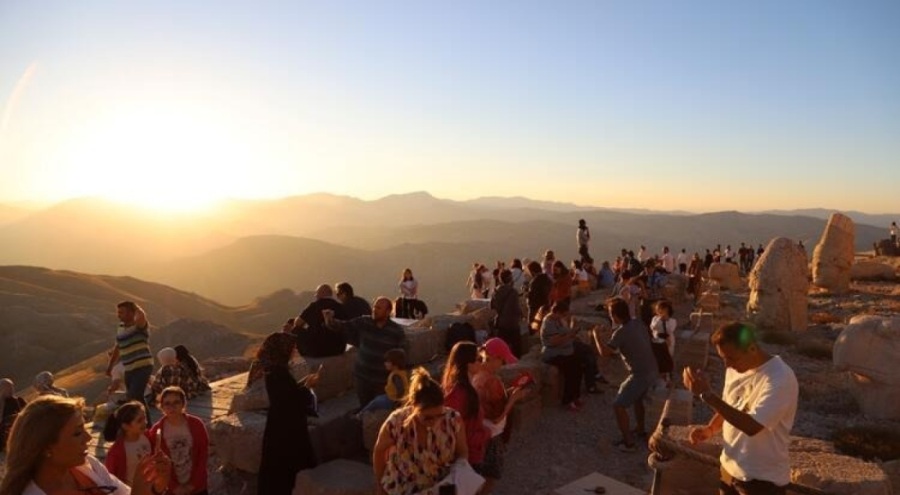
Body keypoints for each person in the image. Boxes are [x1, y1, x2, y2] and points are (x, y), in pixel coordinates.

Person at [681, 322, 798, 495]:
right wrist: (711, 428)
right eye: (723, 358)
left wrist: (707, 395)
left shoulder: (780, 378)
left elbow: (753, 426)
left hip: (760, 481)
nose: (727, 365)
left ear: (751, 348)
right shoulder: (735, 369)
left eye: (731, 358)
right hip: (729, 469)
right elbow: (731, 406)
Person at [0, 395, 170, 495]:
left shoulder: (88, 467)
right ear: (46, 447)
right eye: (77, 433)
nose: (89, 437)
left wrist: (156, 488)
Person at [373, 368, 473, 495]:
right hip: (402, 489)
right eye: (428, 417)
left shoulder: (453, 420)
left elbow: (462, 452)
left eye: (439, 415)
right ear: (414, 408)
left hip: (439, 488)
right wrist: (379, 484)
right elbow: (379, 451)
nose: (434, 421)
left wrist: (460, 473)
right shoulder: (396, 422)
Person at [256, 332, 319, 495]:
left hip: (280, 424)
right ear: (282, 350)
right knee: (285, 470)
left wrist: (303, 385)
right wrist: (308, 386)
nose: (294, 351)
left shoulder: (275, 369)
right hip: (286, 429)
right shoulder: (278, 372)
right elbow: (290, 401)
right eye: (292, 348)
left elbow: (286, 394)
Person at [594, 297, 657, 452]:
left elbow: (604, 352)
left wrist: (595, 336)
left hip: (640, 374)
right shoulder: (637, 323)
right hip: (652, 369)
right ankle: (640, 430)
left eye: (610, 313)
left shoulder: (620, 332)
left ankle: (628, 442)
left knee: (618, 405)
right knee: (637, 399)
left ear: (615, 316)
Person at [323, 297, 408, 408]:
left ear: (388, 312)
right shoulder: (364, 322)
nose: (374, 310)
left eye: (378, 308)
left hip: (382, 381)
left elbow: (403, 351)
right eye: (374, 307)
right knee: (365, 408)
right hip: (362, 378)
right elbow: (343, 326)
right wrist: (329, 319)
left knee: (379, 411)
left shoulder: (396, 331)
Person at [472, 339, 527, 494]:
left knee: (479, 476)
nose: (503, 365)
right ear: (494, 358)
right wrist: (514, 399)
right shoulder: (492, 380)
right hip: (492, 435)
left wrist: (508, 393)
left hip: (480, 432)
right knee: (490, 477)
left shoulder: (477, 374)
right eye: (502, 361)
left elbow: (490, 404)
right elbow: (497, 417)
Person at [148, 386, 209, 495]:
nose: (172, 407)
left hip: (197, 487)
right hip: (171, 490)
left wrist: (192, 485)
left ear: (183, 404)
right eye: (167, 403)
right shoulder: (157, 431)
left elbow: (203, 456)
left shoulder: (197, 424)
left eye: (176, 402)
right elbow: (156, 463)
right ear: (161, 406)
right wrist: (174, 487)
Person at [442, 342, 490, 470]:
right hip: (467, 457)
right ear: (468, 364)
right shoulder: (458, 394)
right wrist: (486, 433)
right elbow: (455, 429)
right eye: (479, 359)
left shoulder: (467, 388)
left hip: (474, 451)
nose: (482, 362)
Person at [106, 301, 154, 422]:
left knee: (135, 395)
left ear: (131, 313)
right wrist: (110, 366)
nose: (118, 315)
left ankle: (146, 425)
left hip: (142, 366)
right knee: (133, 398)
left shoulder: (140, 326)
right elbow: (118, 347)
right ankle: (141, 423)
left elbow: (142, 316)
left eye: (121, 312)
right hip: (129, 368)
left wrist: (135, 307)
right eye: (118, 312)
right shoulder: (121, 327)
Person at [540, 300, 583, 411]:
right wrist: (569, 335)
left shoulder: (559, 320)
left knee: (579, 364)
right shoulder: (548, 323)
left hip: (564, 351)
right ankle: (568, 400)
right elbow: (554, 341)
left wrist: (573, 331)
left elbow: (566, 332)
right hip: (553, 354)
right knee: (570, 369)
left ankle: (575, 396)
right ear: (558, 312)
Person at [104, 401, 154, 487]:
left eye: (145, 418)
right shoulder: (116, 451)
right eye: (139, 421)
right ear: (126, 426)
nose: (145, 422)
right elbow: (110, 478)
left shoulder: (148, 437)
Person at [293, 284, 347, 358]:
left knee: (296, 329)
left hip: (318, 350)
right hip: (338, 349)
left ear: (321, 293)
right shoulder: (340, 307)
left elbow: (298, 323)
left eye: (316, 293)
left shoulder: (314, 306)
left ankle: (303, 355)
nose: (315, 296)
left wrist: (308, 327)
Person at [360, 348, 409, 414]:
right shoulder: (401, 372)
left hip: (392, 400)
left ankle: (360, 415)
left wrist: (398, 404)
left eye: (387, 362)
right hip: (391, 396)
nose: (385, 363)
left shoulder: (396, 375)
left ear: (395, 363)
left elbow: (401, 390)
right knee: (378, 398)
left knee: (375, 402)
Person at [491, 269, 523, 358]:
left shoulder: (496, 291)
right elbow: (516, 308)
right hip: (512, 323)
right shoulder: (513, 292)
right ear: (510, 279)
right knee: (516, 349)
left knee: (501, 348)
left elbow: (492, 306)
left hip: (501, 323)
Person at [649, 300, 677, 386]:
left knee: (667, 358)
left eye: (662, 310)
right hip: (657, 342)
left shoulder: (672, 321)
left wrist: (666, 320)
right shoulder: (655, 319)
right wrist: (660, 320)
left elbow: (670, 330)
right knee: (658, 359)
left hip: (668, 342)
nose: (660, 312)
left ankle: (668, 378)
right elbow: (653, 327)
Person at [0, 378, 26, 453]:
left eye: (11, 386)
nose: (11, 389)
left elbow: (28, 413)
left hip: (19, 427)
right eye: (7, 388)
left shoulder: (18, 400)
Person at [525, 261, 552, 328]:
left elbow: (531, 297)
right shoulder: (548, 279)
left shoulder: (534, 281)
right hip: (546, 306)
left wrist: (526, 293)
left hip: (535, 308)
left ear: (532, 271)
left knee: (533, 327)